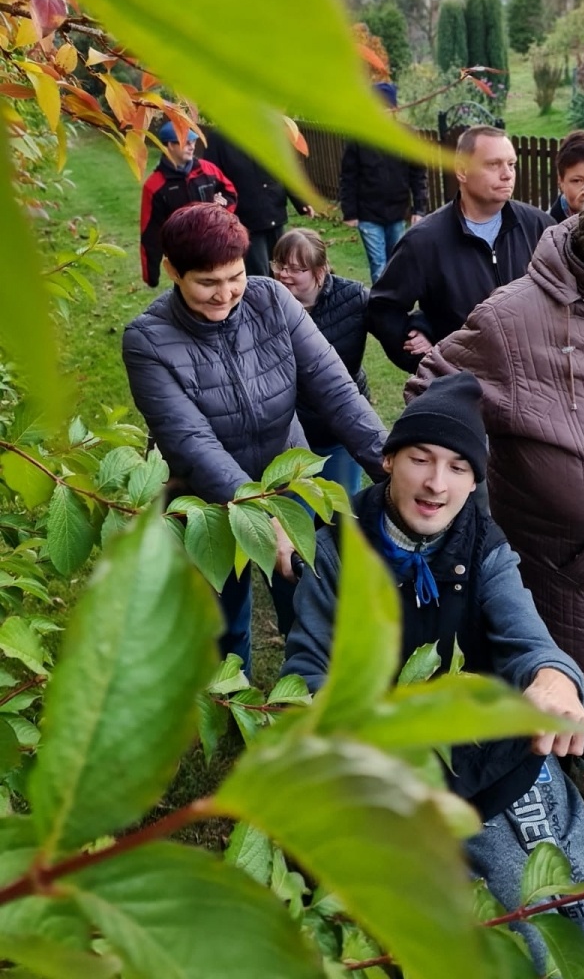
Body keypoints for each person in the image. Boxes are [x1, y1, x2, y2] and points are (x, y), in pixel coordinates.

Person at [282, 375, 584, 975]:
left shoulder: (485, 546)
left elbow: (526, 637)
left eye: (456, 467)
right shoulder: (334, 550)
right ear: (388, 459)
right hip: (392, 764)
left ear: (475, 481)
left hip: (497, 755)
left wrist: (553, 676)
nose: (435, 483)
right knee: (476, 921)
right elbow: (305, 668)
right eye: (420, 459)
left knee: (565, 894)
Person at [406, 167, 584, 761]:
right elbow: (432, 393)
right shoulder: (514, 322)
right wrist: (457, 480)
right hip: (580, 568)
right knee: (582, 701)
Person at [123, 203, 387, 674]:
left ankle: (312, 700)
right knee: (222, 619)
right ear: (172, 272)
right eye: (207, 282)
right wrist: (264, 521)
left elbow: (335, 388)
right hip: (204, 505)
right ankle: (235, 709)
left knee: (307, 601)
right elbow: (192, 445)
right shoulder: (147, 340)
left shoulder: (270, 299)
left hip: (288, 481)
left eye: (235, 276)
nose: (226, 295)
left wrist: (388, 467)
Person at [367, 125, 553, 372]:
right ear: (462, 171)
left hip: (536, 376)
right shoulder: (424, 242)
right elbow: (383, 309)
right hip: (466, 386)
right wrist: (425, 355)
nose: (507, 174)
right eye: (493, 164)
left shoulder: (540, 227)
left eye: (512, 164)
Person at [271, 228, 370, 496]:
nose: (283, 274)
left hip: (338, 428)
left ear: (321, 270)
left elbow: (393, 320)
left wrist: (418, 329)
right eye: (279, 265)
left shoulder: (354, 297)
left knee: (343, 509)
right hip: (290, 434)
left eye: (296, 269)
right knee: (295, 510)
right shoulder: (265, 304)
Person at [339, 82, 429, 283]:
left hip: (398, 212)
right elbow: (349, 177)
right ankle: (381, 308)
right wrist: (350, 212)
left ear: (394, 109)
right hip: (368, 214)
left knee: (397, 261)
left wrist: (419, 209)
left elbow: (418, 174)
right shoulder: (359, 138)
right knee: (378, 265)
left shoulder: (406, 135)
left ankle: (398, 303)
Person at [201, 126, 316, 276]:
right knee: (259, 274)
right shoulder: (219, 139)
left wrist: (300, 201)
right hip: (246, 220)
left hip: (274, 212)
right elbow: (211, 177)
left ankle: (282, 299)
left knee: (283, 269)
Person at [140, 121, 237, 288]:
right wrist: (151, 276)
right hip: (184, 257)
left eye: (193, 142)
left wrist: (221, 209)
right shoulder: (155, 186)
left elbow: (230, 192)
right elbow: (150, 233)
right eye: (186, 142)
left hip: (216, 246)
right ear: (170, 145)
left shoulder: (208, 170)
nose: (192, 146)